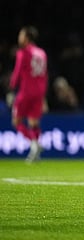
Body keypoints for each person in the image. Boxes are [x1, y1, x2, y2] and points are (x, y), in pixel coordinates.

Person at [9, 26, 48, 163]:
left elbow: (17, 73)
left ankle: (34, 144)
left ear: (26, 38)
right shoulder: (42, 53)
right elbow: (44, 75)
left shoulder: (23, 52)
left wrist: (11, 89)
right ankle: (35, 155)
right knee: (33, 123)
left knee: (16, 121)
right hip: (39, 92)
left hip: (26, 91)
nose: (19, 38)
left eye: (21, 35)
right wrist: (43, 96)